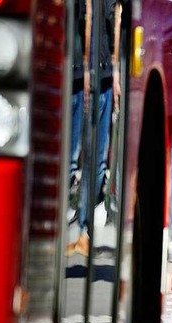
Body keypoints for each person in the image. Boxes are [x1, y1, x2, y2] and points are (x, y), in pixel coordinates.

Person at [66, 0, 122, 257]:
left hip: (105, 78)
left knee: (97, 162)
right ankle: (69, 228)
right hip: (78, 78)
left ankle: (83, 229)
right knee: (71, 159)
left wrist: (116, 70)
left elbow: (118, 20)